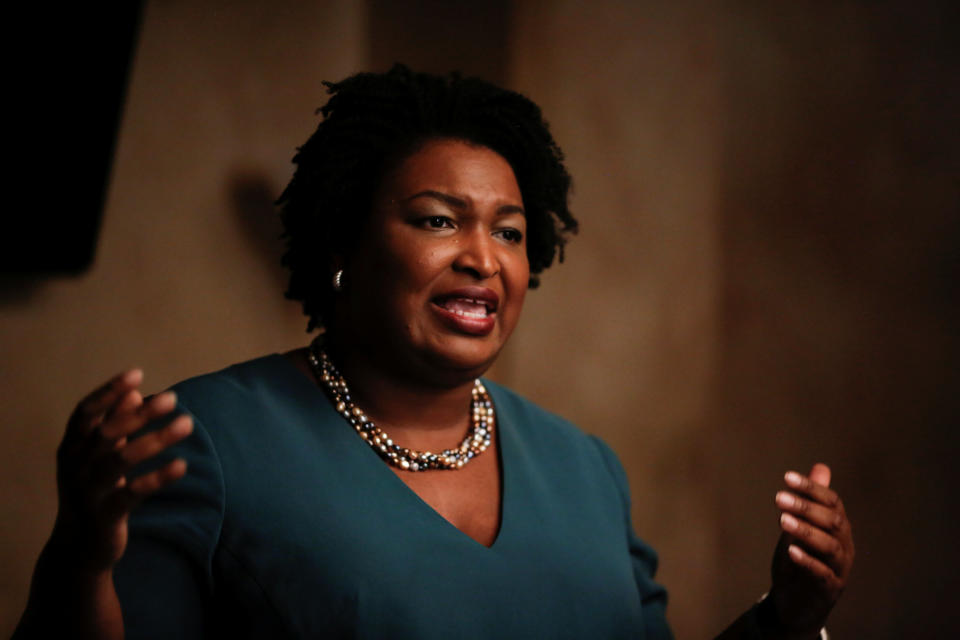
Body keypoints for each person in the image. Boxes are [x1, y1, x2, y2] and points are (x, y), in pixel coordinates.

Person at [15, 65, 853, 639]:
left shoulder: (586, 470)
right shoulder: (209, 439)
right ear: (345, 241)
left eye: (511, 232)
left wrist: (787, 616)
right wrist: (81, 558)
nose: (483, 259)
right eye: (437, 220)